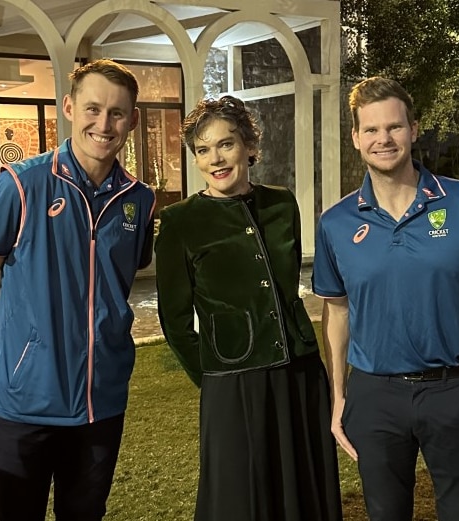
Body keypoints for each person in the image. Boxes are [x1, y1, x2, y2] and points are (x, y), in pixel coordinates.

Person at [312, 77, 459, 521]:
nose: (383, 139)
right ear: (355, 138)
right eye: (370, 130)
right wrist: (338, 397)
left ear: (413, 129)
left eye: (393, 127)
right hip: (374, 396)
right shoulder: (335, 223)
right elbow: (336, 313)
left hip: (454, 391)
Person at [0, 59, 155, 521]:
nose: (103, 124)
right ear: (69, 107)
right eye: (92, 108)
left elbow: (122, 278)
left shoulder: (139, 200)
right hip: (27, 399)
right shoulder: (21, 185)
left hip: (100, 398)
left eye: (117, 113)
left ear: (133, 120)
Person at [155, 95, 343, 521]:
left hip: (299, 372)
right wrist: (212, 376)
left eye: (226, 144)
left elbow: (286, 285)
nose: (215, 158)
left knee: (303, 486)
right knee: (239, 497)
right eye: (203, 149)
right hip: (231, 378)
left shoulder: (281, 203)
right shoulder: (181, 221)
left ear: (249, 147)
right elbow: (176, 320)